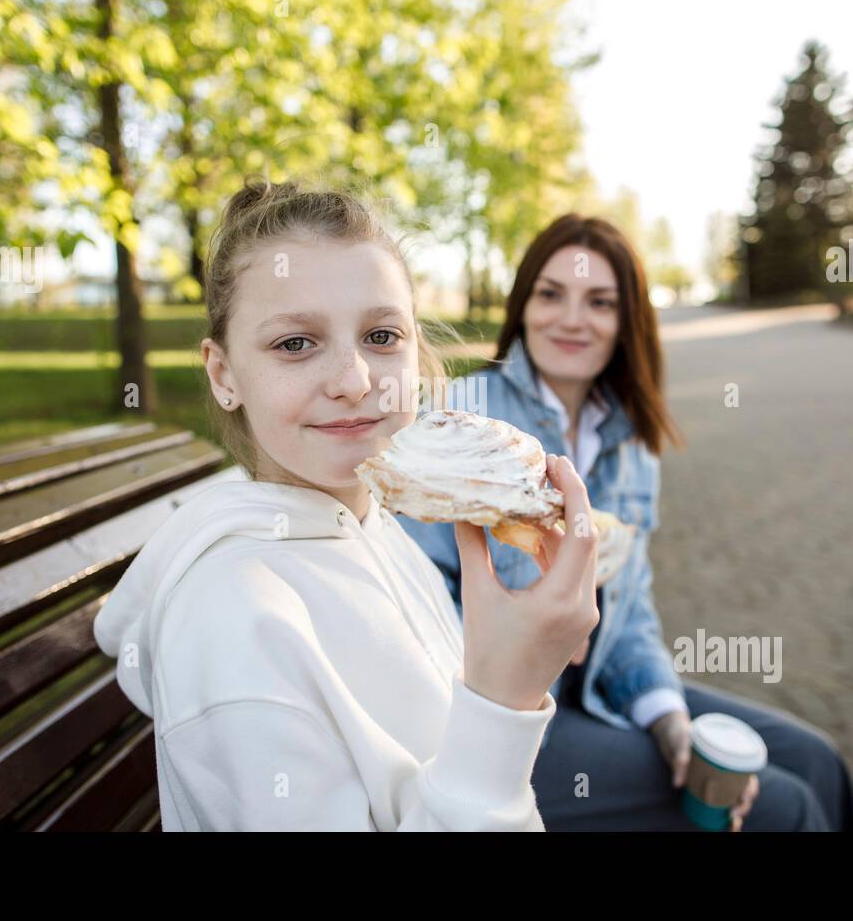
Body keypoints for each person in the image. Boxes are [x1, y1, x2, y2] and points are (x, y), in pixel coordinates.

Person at [93, 177, 599, 831]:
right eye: (295, 344)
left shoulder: (375, 526)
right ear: (223, 375)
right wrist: (508, 693)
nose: (355, 381)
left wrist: (516, 663)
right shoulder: (237, 618)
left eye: (382, 337)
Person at [399, 214, 853, 831]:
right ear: (524, 305)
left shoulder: (633, 438)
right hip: (504, 718)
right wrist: (537, 635)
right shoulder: (464, 423)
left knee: (818, 762)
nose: (571, 318)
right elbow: (410, 612)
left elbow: (631, 609)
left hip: (602, 688)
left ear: (627, 322)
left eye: (599, 301)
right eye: (550, 294)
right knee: (784, 806)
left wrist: (666, 715)